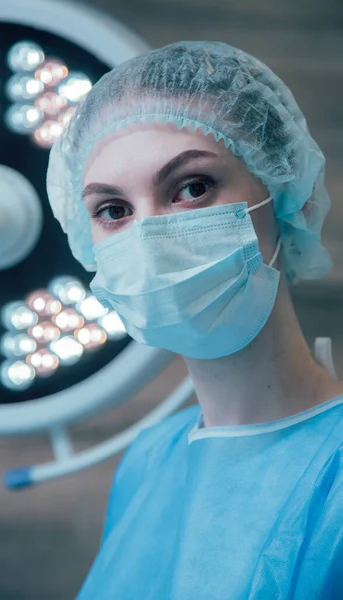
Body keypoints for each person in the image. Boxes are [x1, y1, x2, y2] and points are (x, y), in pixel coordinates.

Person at [47, 41, 343, 599]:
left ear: (290, 200)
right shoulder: (148, 459)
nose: (149, 239)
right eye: (113, 210)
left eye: (191, 188)